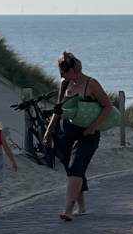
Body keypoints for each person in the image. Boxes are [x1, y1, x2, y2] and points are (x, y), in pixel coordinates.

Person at [44, 52, 113, 220]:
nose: (62, 76)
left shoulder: (91, 84)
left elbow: (108, 107)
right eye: (60, 73)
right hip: (67, 132)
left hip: (88, 134)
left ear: (74, 69)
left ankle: (68, 209)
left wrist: (92, 127)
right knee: (73, 170)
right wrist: (49, 131)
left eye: (64, 72)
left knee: (76, 167)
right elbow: (58, 109)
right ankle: (81, 206)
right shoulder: (64, 84)